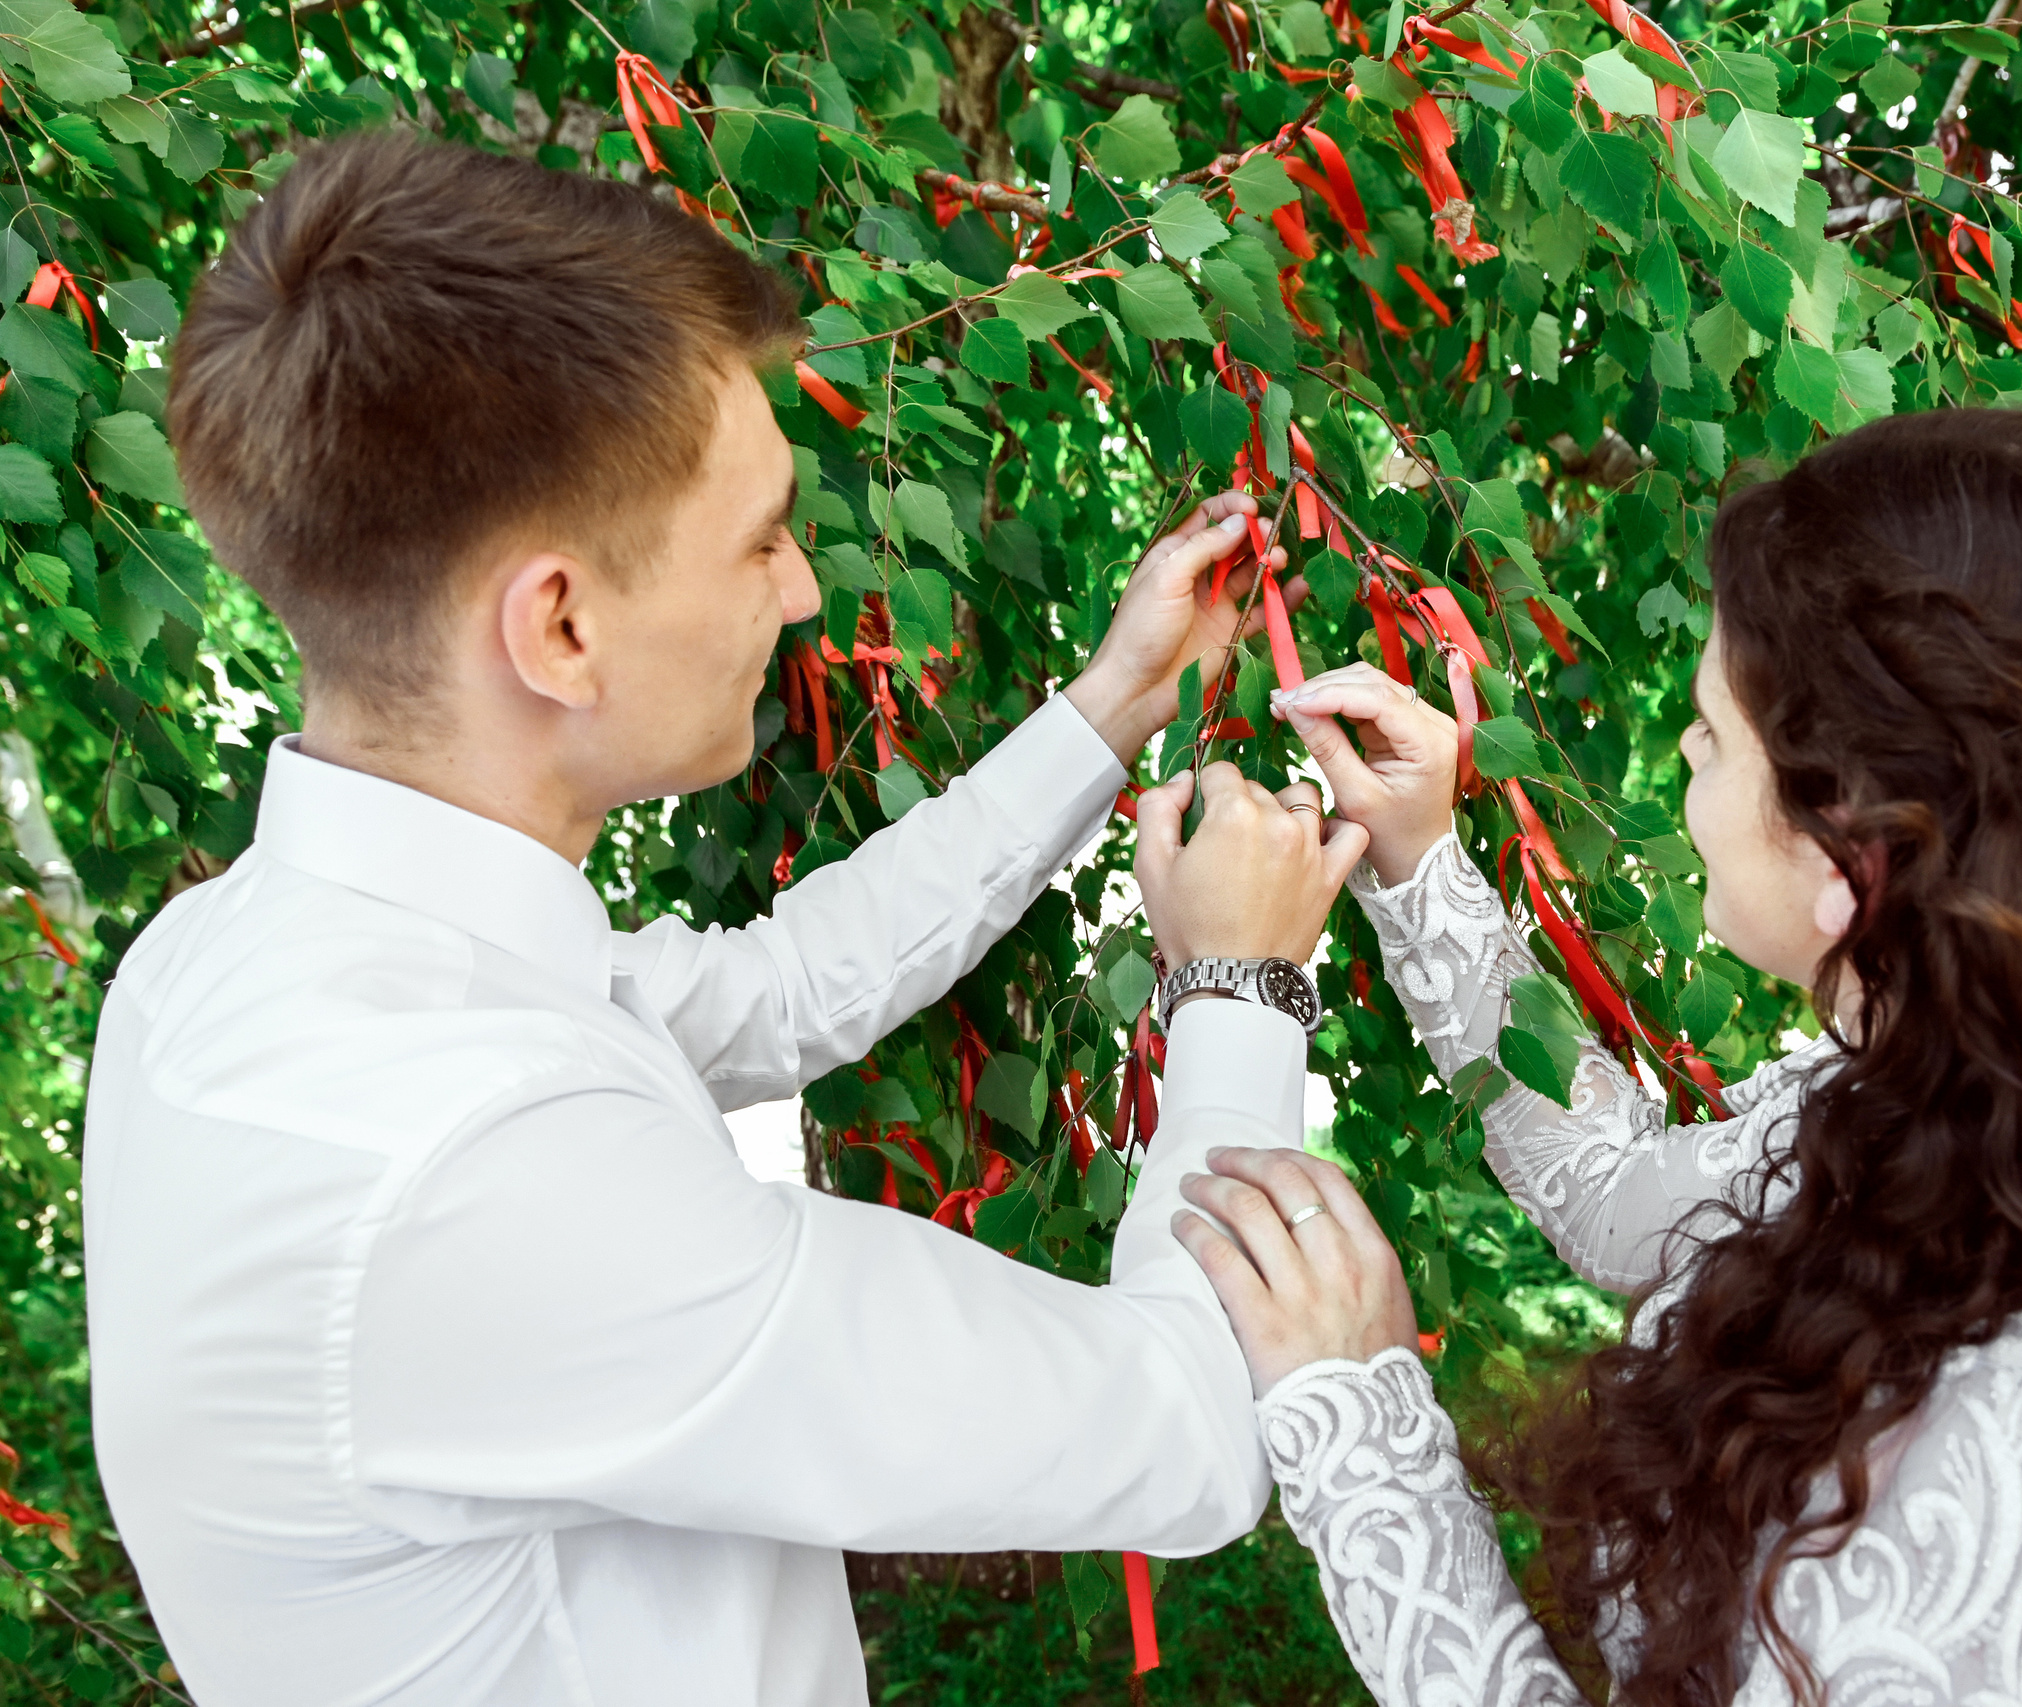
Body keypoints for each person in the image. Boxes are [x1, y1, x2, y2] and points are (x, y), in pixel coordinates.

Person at [82, 133, 1366, 1704]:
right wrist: (1238, 984)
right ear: (559, 624)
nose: (805, 592)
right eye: (761, 538)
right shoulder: (479, 1174)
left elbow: (773, 994)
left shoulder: (255, 963)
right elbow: (1182, 1422)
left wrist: (1111, 708)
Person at [1174, 409, 2022, 1705]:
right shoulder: (1971, 1141)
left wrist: (1367, 1454)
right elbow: (1613, 1198)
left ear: (1859, 845)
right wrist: (1420, 866)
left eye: (1713, 733)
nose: (1681, 751)